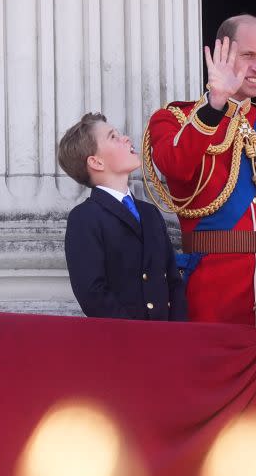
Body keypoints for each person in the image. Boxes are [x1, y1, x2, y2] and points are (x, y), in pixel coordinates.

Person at [144, 14, 256, 329]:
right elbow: (175, 166)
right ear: (221, 54)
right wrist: (215, 105)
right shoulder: (175, 118)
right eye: (248, 55)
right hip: (210, 294)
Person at [59, 113, 187, 321]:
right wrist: (135, 334)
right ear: (96, 162)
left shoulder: (150, 213)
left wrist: (176, 332)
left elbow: (173, 280)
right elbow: (93, 293)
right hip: (123, 340)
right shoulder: (85, 218)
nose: (126, 138)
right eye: (113, 137)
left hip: (167, 338)